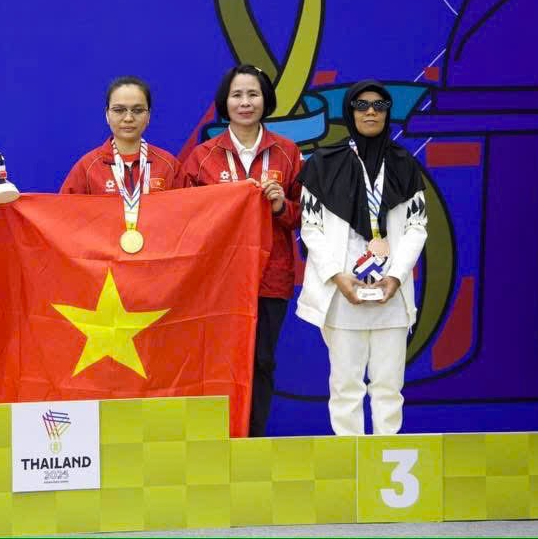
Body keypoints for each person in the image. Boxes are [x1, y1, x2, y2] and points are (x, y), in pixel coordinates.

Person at [296, 80, 428, 435]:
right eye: (362, 105)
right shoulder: (323, 163)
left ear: (388, 113)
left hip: (391, 295)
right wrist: (337, 276)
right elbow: (311, 228)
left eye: (379, 105)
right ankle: (349, 460)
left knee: (389, 388)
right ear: (349, 111)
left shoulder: (404, 164)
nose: (371, 112)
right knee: (345, 388)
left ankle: (385, 459)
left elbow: (417, 227)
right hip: (342, 293)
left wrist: (395, 276)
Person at [181, 64, 302, 436]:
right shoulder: (203, 156)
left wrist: (281, 206)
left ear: (266, 100)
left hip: (270, 277)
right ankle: (217, 438)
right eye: (237, 95)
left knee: (261, 361)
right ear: (225, 101)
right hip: (217, 282)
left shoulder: (287, 152)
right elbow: (183, 218)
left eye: (253, 94)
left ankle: (252, 441)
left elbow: (306, 216)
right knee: (217, 363)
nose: (245, 102)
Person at [60, 76, 182, 195]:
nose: (128, 118)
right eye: (119, 110)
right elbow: (65, 207)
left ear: (148, 115)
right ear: (107, 114)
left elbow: (187, 206)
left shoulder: (168, 165)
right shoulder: (87, 167)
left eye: (138, 110)